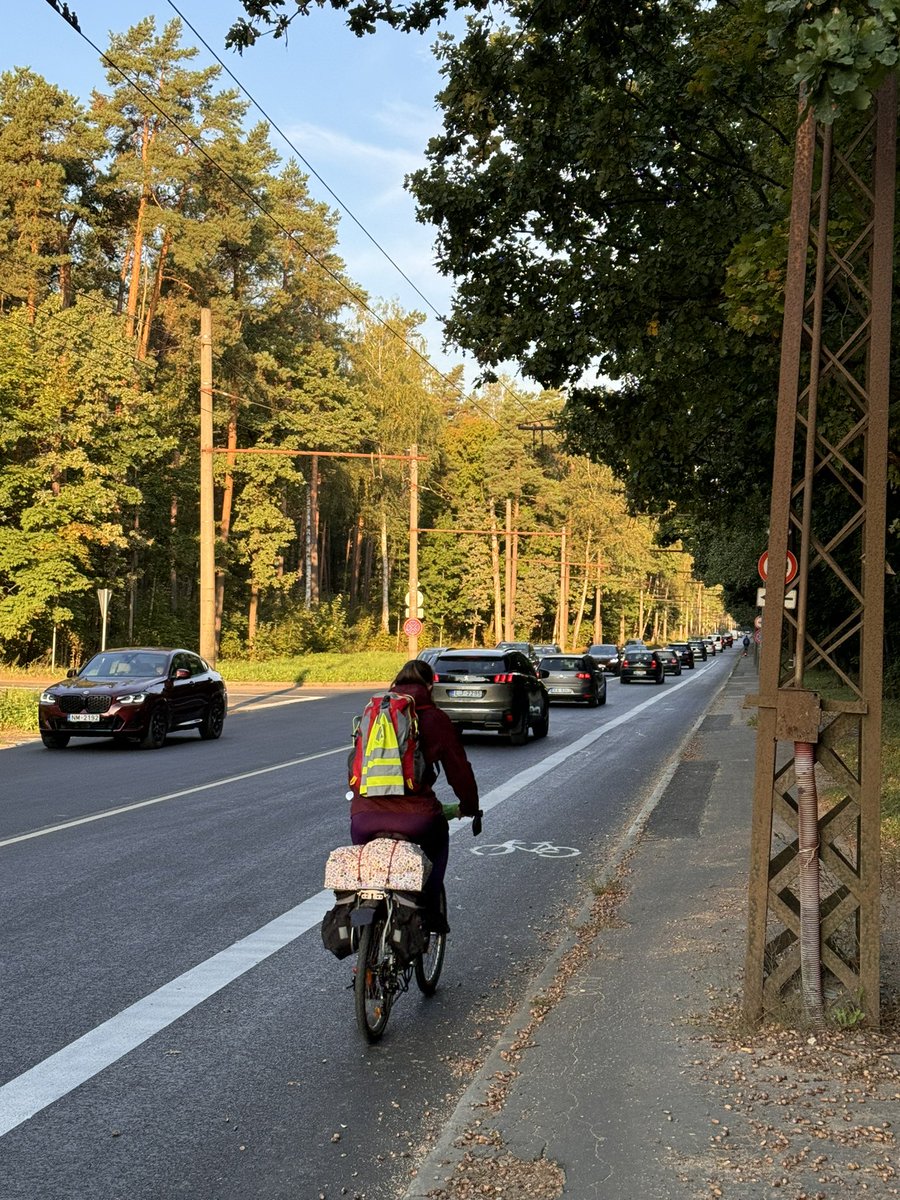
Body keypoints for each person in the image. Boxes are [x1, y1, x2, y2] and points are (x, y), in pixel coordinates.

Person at [349, 659, 479, 931]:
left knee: (369, 874)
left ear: (395, 684)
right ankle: (429, 913)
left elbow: (355, 765)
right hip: (417, 819)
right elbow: (459, 771)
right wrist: (469, 805)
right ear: (430, 685)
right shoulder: (435, 718)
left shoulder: (374, 715)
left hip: (363, 818)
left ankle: (365, 937)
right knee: (437, 846)